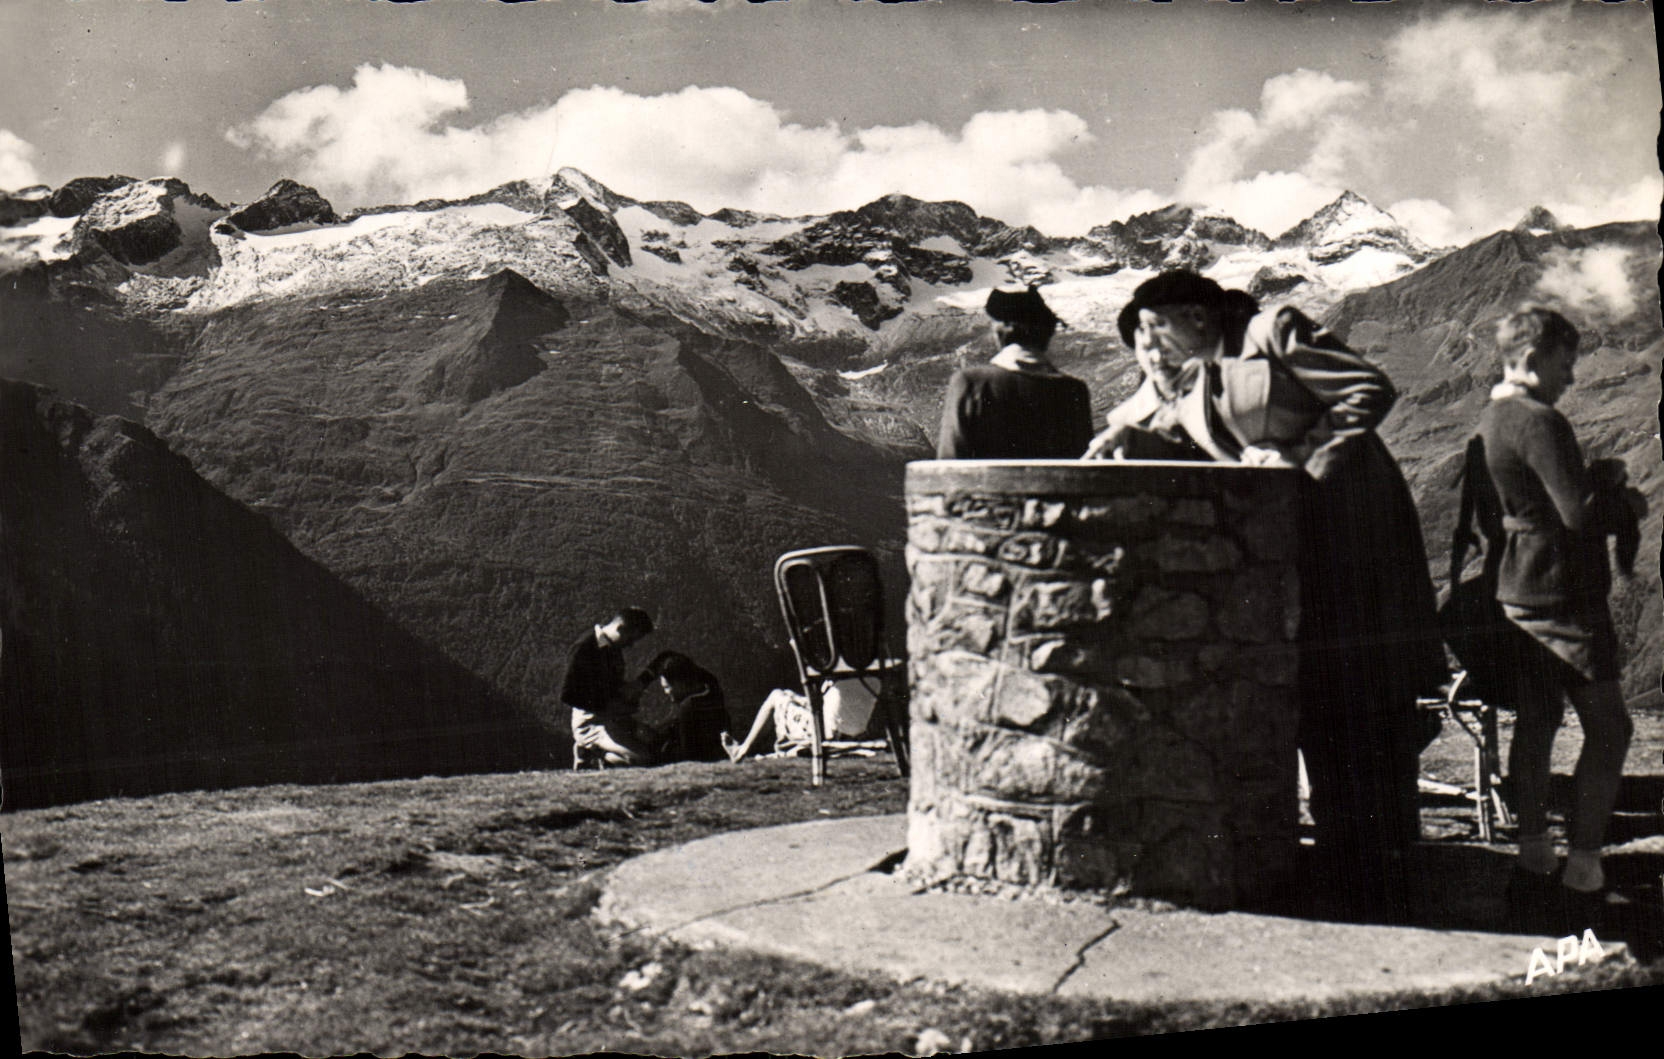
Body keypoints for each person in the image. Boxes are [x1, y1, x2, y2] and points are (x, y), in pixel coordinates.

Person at [1095, 269, 1447, 921]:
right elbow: (1200, 445)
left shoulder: (1273, 332)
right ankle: (1349, 866)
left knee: (1367, 699)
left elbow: (1370, 389)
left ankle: (1390, 873)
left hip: (1352, 536)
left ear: (1197, 316)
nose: (1152, 345)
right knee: (1319, 695)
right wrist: (1134, 437)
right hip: (1297, 551)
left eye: (1158, 327)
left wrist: (1299, 455)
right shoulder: (1199, 377)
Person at [1478, 306, 1640, 927]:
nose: (1571, 376)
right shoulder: (1540, 420)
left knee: (1539, 720)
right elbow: (1578, 515)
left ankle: (1533, 860)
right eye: (1564, 363)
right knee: (1610, 728)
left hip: (1518, 585)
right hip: (1563, 594)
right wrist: (1624, 498)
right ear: (1532, 358)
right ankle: (1584, 869)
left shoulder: (1496, 415)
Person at [936, 285, 1094, 460]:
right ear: (1046, 334)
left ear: (1000, 333)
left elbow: (949, 459)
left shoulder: (970, 382)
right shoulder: (1073, 390)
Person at [561, 607, 656, 767]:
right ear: (620, 628)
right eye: (631, 639)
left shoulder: (611, 649)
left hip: (610, 719)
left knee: (653, 746)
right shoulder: (585, 647)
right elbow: (568, 694)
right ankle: (590, 753)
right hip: (591, 722)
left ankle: (597, 753)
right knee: (642, 759)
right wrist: (607, 706)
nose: (631, 645)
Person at [641, 651, 728, 763]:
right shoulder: (709, 687)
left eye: (667, 687)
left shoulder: (687, 708)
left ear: (680, 683)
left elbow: (687, 752)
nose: (666, 692)